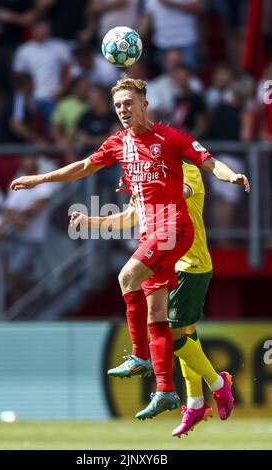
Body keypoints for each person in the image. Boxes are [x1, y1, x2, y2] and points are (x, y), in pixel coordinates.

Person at [10, 77, 250, 420]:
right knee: (157, 314)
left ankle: (140, 356)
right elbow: (84, 169)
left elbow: (209, 162)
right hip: (152, 235)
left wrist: (233, 176)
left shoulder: (170, 140)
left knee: (127, 275)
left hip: (173, 230)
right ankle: (167, 391)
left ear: (144, 104)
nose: (123, 109)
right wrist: (39, 180)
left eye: (129, 103)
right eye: (118, 105)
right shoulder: (119, 145)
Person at [70, 162, 237, 436]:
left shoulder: (186, 170)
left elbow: (176, 194)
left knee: (174, 334)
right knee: (185, 334)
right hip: (165, 262)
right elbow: (127, 218)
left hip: (190, 265)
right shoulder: (148, 178)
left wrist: (141, 183)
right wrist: (89, 221)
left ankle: (217, 384)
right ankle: (195, 403)